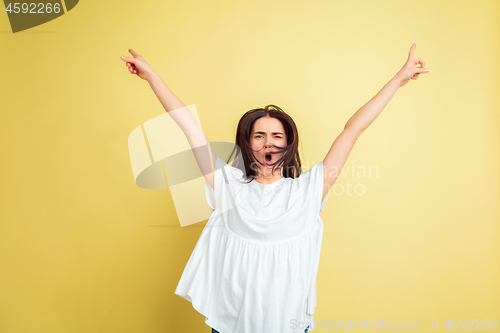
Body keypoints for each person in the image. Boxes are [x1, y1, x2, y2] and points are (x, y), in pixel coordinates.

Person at [120, 44, 429, 333]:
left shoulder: (309, 190)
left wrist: (398, 79)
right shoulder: (225, 184)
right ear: (247, 142)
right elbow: (190, 127)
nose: (268, 141)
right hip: (230, 322)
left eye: (276, 135)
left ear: (288, 143)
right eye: (259, 135)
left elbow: (353, 130)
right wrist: (152, 77)